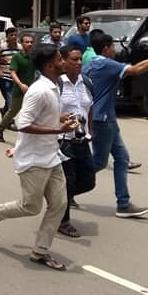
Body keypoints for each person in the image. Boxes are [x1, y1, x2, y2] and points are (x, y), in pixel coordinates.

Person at [0, 44, 75, 271]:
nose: (64, 62)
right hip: (34, 159)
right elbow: (22, 124)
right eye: (60, 59)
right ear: (50, 65)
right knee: (31, 206)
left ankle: (40, 251)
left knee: (59, 204)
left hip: (51, 155)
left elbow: (44, 116)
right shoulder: (39, 90)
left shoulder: (53, 86)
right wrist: (58, 130)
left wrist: (61, 117)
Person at [83, 33, 148, 218]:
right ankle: (68, 185)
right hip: (102, 120)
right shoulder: (106, 64)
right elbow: (136, 70)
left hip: (105, 118)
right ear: (105, 49)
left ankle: (123, 204)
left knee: (122, 158)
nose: (115, 49)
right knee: (99, 162)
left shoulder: (90, 64)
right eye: (113, 46)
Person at [56, 46, 96, 238]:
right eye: (74, 59)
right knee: (68, 181)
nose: (79, 63)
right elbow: (47, 111)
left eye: (80, 59)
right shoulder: (57, 84)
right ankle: (63, 221)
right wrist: (65, 120)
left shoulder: (86, 82)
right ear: (63, 61)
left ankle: (58, 198)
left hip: (82, 140)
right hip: (63, 141)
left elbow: (90, 107)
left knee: (88, 181)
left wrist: (91, 131)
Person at [0, 33, 36, 143]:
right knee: (13, 111)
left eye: (31, 42)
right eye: (27, 42)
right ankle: (0, 129)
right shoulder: (17, 57)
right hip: (18, 90)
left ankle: (29, 137)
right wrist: (20, 84)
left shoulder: (34, 57)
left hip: (31, 90)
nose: (29, 44)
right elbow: (13, 72)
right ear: (22, 43)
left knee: (31, 112)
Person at [0, 27, 18, 121]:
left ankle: (4, 110)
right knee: (10, 99)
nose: (14, 37)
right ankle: (10, 121)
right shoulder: (2, 47)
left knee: (11, 99)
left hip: (15, 77)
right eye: (11, 35)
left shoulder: (20, 48)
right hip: (4, 77)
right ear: (7, 36)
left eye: (15, 35)